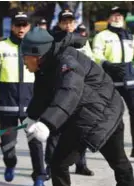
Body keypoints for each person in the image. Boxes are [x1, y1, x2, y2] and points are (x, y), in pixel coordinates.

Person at [21, 27, 134, 186]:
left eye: (26, 56)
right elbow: (41, 94)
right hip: (79, 118)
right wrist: (32, 117)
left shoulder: (68, 63)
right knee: (57, 164)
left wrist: (47, 123)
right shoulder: (45, 67)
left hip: (105, 113)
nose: (24, 61)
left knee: (118, 162)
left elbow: (69, 92)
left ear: (38, 55)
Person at [0, 12, 47, 186]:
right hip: (7, 104)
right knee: (8, 144)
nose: (21, 29)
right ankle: (10, 163)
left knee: (36, 141)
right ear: (12, 27)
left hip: (32, 105)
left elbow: (45, 74)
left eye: (24, 25)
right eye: (18, 25)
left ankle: (39, 177)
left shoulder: (38, 48)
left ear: (29, 27)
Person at [48, 9, 94, 176]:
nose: (68, 25)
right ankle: (51, 166)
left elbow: (91, 62)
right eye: (64, 22)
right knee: (56, 129)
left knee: (80, 129)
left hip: (80, 90)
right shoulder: (53, 40)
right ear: (59, 23)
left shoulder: (83, 41)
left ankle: (81, 164)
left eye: (71, 22)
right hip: (59, 91)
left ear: (75, 23)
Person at [93, 6, 134, 158]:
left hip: (130, 82)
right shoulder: (102, 36)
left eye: (120, 16)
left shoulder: (129, 35)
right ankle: (115, 148)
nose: (117, 18)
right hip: (111, 81)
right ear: (109, 18)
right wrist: (107, 64)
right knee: (113, 116)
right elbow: (96, 54)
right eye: (114, 15)